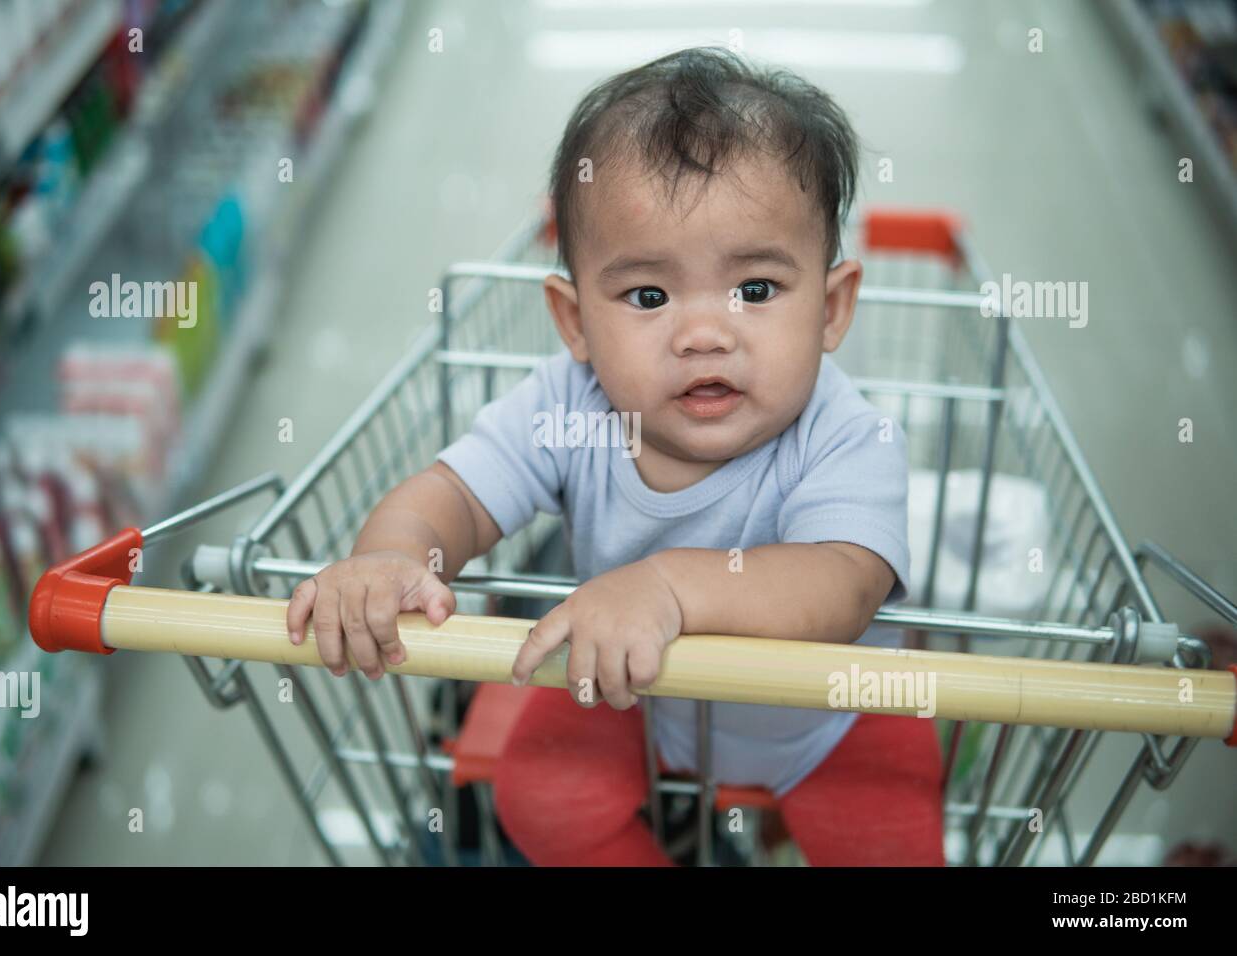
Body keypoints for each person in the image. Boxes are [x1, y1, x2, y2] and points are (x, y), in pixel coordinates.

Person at [286, 46, 943, 866]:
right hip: (639, 687)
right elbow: (451, 494)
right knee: (541, 797)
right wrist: (389, 555)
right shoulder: (568, 407)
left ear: (833, 306)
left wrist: (665, 586)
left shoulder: (847, 435)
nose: (705, 333)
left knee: (893, 846)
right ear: (574, 322)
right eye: (647, 296)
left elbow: (838, 588)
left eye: (757, 290)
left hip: (836, 715)